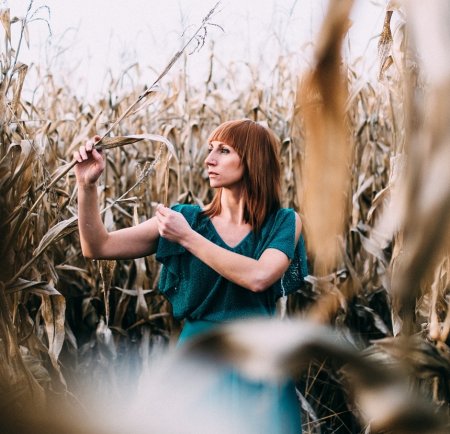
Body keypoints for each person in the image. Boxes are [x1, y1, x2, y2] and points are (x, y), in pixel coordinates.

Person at [74, 119, 308, 433]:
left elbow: (259, 277)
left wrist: (186, 238)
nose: (209, 159)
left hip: (258, 363)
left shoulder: (284, 222)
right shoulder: (185, 218)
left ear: (254, 159)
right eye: (211, 149)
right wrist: (86, 187)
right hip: (198, 364)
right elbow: (98, 246)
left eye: (224, 151)